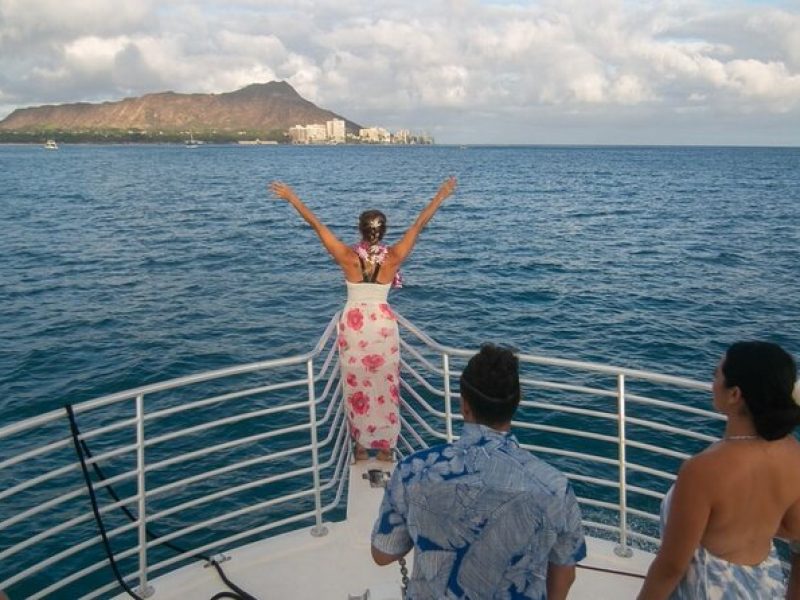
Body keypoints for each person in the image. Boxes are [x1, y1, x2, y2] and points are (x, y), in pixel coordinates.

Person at [370, 343, 586, 599]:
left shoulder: (412, 471)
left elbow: (383, 554)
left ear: (464, 405)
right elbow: (565, 573)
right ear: (517, 402)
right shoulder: (555, 488)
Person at [270, 177, 457, 461]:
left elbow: (316, 226)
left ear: (360, 230)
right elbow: (419, 224)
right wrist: (440, 195)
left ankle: (360, 446)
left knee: (356, 384)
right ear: (383, 232)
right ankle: (385, 449)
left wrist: (292, 198)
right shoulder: (393, 256)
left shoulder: (346, 256)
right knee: (385, 384)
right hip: (382, 325)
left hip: (355, 325)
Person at [639, 341, 800, 599]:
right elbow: (795, 533)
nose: (712, 382)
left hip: (708, 589)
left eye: (716, 375)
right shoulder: (794, 453)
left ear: (734, 394)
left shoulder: (703, 469)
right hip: (763, 586)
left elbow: (671, 567)